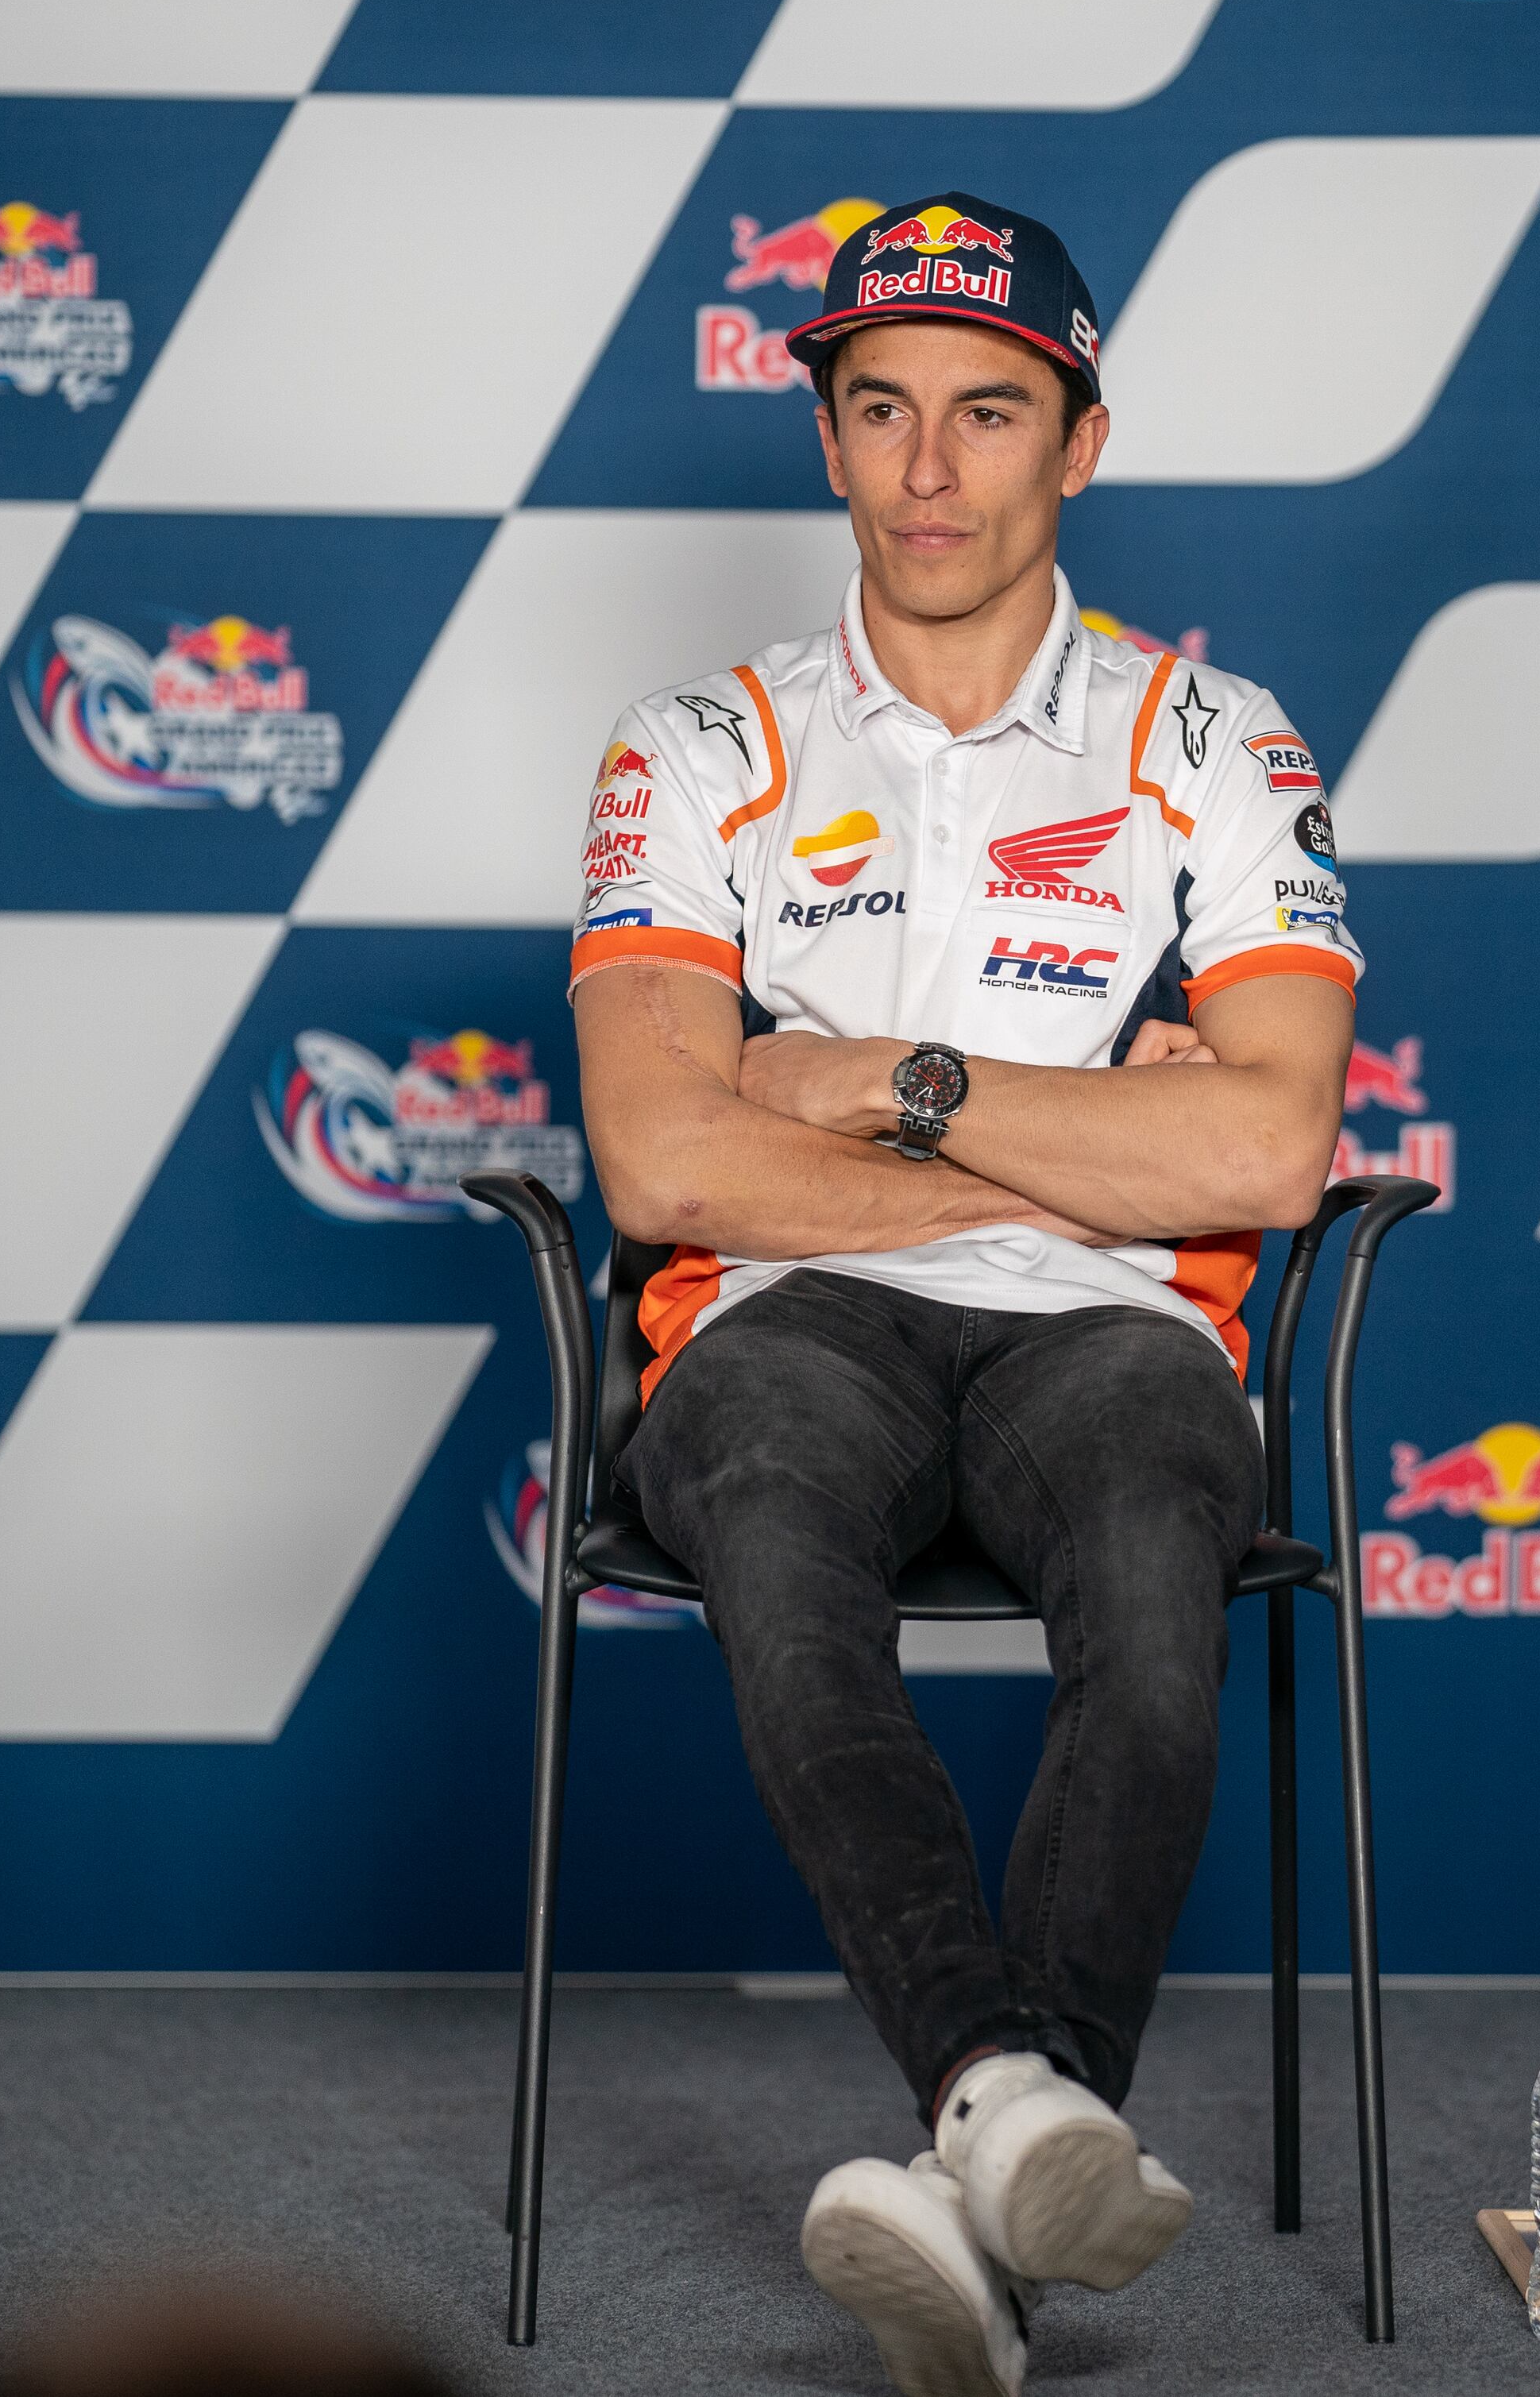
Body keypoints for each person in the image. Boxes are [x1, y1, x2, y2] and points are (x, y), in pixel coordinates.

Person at [567, 193, 1359, 2397]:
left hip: (1119, 1338)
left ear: (1078, 446)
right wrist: (1086, 1123)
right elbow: (660, 1157)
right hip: (771, 1321)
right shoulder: (694, 748)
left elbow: (1271, 1153)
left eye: (989, 413)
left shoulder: (1218, 740)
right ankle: (1017, 2127)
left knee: (1149, 1564)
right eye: (881, 409)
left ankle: (979, 2167)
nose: (930, 469)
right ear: (826, 441)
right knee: (784, 1557)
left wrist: (881, 1089)